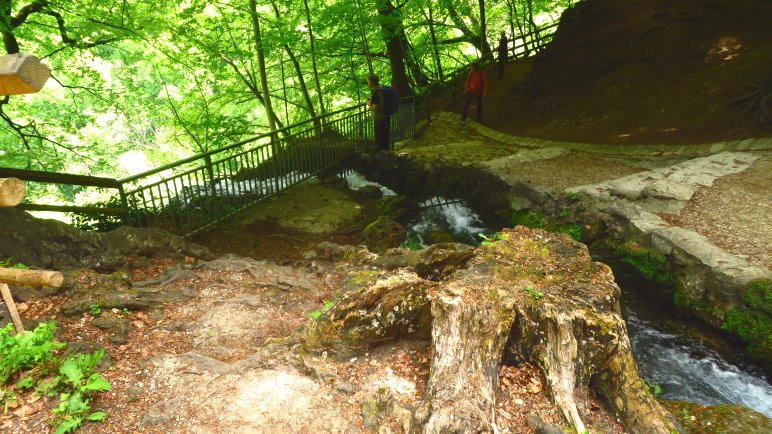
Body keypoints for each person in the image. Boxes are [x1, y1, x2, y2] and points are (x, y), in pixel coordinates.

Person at [366, 74, 391, 151]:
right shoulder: (382, 89)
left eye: (368, 81)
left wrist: (367, 104)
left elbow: (375, 109)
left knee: (379, 140)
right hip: (386, 115)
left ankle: (381, 157)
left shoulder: (375, 93)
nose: (368, 83)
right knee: (385, 138)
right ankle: (388, 155)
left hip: (379, 118)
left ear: (372, 82)